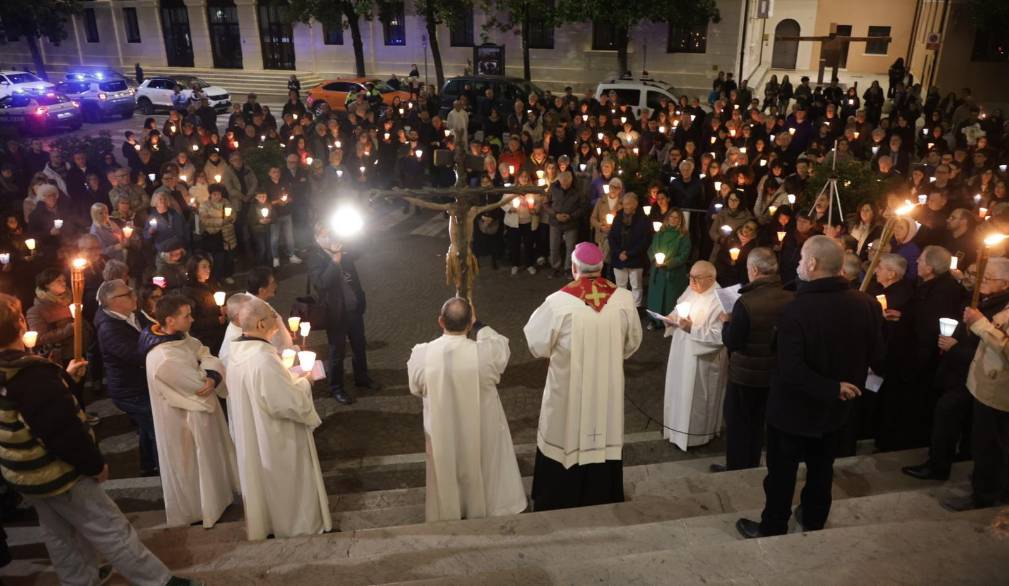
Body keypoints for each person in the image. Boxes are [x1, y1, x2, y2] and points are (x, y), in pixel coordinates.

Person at [0, 293, 198, 586]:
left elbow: (25, 413)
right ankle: (158, 581)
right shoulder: (31, 374)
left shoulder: (18, 373)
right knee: (110, 528)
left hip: (24, 473)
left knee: (58, 532)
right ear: (20, 324)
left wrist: (65, 381)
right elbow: (60, 430)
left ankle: (79, 579)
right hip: (59, 472)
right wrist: (93, 465)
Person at [737, 236, 885, 538]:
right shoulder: (867, 303)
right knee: (822, 467)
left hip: (793, 409)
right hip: (837, 407)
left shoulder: (797, 309)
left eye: (802, 258)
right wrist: (841, 387)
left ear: (814, 264)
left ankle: (773, 525)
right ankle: (814, 518)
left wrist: (831, 387)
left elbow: (790, 368)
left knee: (781, 473)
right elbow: (877, 354)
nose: (799, 264)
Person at [523, 242, 642, 511]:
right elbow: (632, 343)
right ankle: (602, 495)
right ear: (601, 268)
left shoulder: (558, 303)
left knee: (565, 434)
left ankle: (557, 499)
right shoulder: (622, 299)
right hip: (607, 391)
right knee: (605, 432)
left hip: (568, 390)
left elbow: (536, 345)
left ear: (574, 268)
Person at [407, 297, 526, 522]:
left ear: (440, 321)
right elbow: (501, 345)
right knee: (485, 465)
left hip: (442, 433)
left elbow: (415, 387)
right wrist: (480, 325)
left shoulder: (422, 355)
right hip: (481, 429)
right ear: (469, 324)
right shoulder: (486, 354)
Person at [225, 296, 332, 540]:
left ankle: (273, 523)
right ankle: (300, 527)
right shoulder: (262, 359)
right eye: (273, 316)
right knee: (289, 484)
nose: (277, 320)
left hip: (256, 432)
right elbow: (285, 402)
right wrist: (306, 381)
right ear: (261, 324)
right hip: (278, 436)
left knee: (267, 485)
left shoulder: (239, 351)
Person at [140, 295, 239, 528]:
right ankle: (201, 509)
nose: (192, 319)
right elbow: (197, 386)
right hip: (183, 422)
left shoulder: (181, 338)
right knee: (192, 465)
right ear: (170, 321)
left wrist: (213, 374)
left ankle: (218, 500)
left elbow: (205, 354)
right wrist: (209, 374)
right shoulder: (163, 357)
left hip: (200, 416)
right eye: (187, 316)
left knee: (207, 461)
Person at [713, 248, 793, 471]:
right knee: (760, 423)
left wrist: (727, 322)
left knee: (739, 424)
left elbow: (733, 342)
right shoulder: (790, 297)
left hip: (746, 376)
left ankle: (738, 467)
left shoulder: (746, 303)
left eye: (748, 268)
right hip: (774, 373)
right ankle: (755, 461)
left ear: (755, 270)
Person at [940, 258, 1009, 512]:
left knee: (990, 445)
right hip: (986, 384)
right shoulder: (996, 301)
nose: (982, 283)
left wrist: (980, 324)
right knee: (990, 442)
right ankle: (993, 484)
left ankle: (984, 495)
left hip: (998, 390)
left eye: (988, 278)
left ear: (1005, 283)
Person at [94, 280, 158, 477]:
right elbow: (137, 355)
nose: (134, 296)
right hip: (131, 391)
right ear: (113, 301)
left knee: (148, 426)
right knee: (158, 428)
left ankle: (148, 467)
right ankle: (165, 469)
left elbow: (155, 330)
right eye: (128, 294)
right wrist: (160, 342)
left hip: (142, 384)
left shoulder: (134, 314)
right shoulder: (109, 329)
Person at [662, 260, 728, 451]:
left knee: (697, 398)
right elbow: (678, 309)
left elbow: (721, 336)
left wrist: (692, 328)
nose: (691, 281)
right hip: (681, 353)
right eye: (690, 277)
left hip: (702, 360)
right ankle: (675, 432)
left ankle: (696, 437)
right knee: (678, 392)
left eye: (696, 278)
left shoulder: (720, 299)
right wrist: (670, 319)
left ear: (711, 278)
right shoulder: (691, 289)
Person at [307, 223, 375, 405]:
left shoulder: (341, 248)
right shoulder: (315, 256)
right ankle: (336, 388)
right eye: (325, 234)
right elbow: (321, 283)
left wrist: (359, 231)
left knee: (359, 345)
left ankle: (362, 377)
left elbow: (361, 250)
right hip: (336, 312)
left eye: (331, 233)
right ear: (317, 237)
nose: (330, 238)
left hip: (354, 309)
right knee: (337, 351)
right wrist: (335, 260)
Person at [218, 267, 294, 361]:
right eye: (272, 283)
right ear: (262, 290)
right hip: (275, 357)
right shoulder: (251, 312)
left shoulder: (257, 304)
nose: (276, 285)